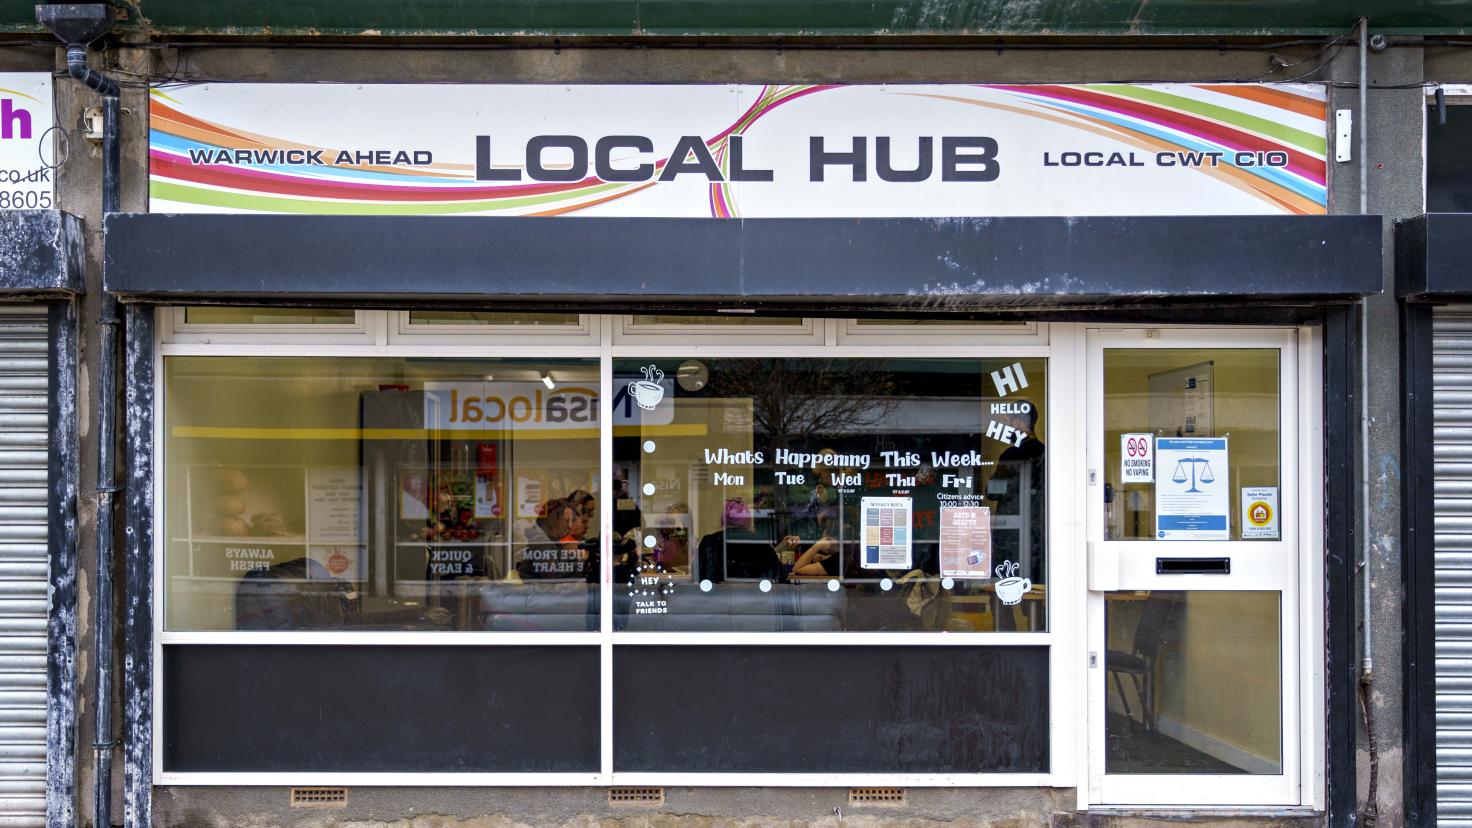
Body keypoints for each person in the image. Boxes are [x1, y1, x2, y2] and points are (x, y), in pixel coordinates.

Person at [695, 498, 783, 583]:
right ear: (748, 520)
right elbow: (779, 575)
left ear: (724, 519)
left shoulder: (709, 541)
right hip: (755, 595)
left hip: (714, 596)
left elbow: (698, 574)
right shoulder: (759, 542)